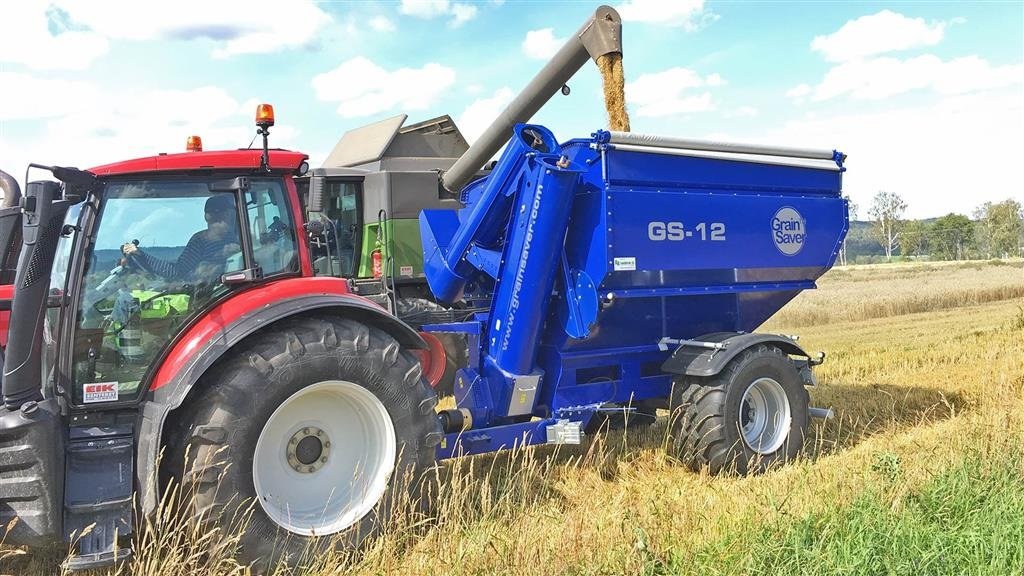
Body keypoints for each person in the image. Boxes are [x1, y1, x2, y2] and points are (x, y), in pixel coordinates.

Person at [121, 194, 240, 282]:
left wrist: (140, 254)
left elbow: (176, 272)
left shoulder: (202, 240)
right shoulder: (239, 239)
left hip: (217, 295)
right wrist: (141, 255)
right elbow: (176, 271)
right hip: (222, 292)